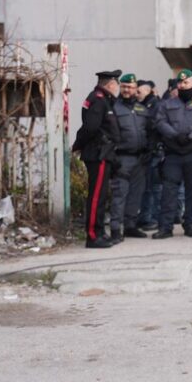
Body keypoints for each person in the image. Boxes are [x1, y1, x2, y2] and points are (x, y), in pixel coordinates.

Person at [153, 69, 192, 239]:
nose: (182, 85)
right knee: (169, 190)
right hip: (173, 153)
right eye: (180, 83)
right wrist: (174, 135)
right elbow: (159, 121)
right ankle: (165, 227)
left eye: (186, 82)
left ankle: (190, 224)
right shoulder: (167, 104)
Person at [71, 70, 122, 249]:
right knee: (96, 197)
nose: (119, 87)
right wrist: (78, 145)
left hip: (104, 153)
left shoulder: (104, 100)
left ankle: (99, 232)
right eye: (117, 84)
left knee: (101, 197)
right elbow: (90, 128)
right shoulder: (98, 100)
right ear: (110, 84)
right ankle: (93, 236)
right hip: (98, 153)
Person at [109, 73, 151, 243]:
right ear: (121, 87)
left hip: (140, 158)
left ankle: (130, 225)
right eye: (124, 86)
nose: (127, 90)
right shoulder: (113, 107)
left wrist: (150, 149)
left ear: (136, 89)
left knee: (136, 194)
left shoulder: (142, 109)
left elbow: (150, 130)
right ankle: (115, 229)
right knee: (120, 194)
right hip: (122, 158)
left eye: (131, 87)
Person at [136, 80, 162, 231]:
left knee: (153, 187)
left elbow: (152, 128)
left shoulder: (154, 106)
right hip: (147, 152)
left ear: (148, 91)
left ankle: (153, 218)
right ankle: (145, 217)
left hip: (154, 152)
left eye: (139, 91)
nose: (136, 94)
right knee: (147, 187)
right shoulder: (143, 105)